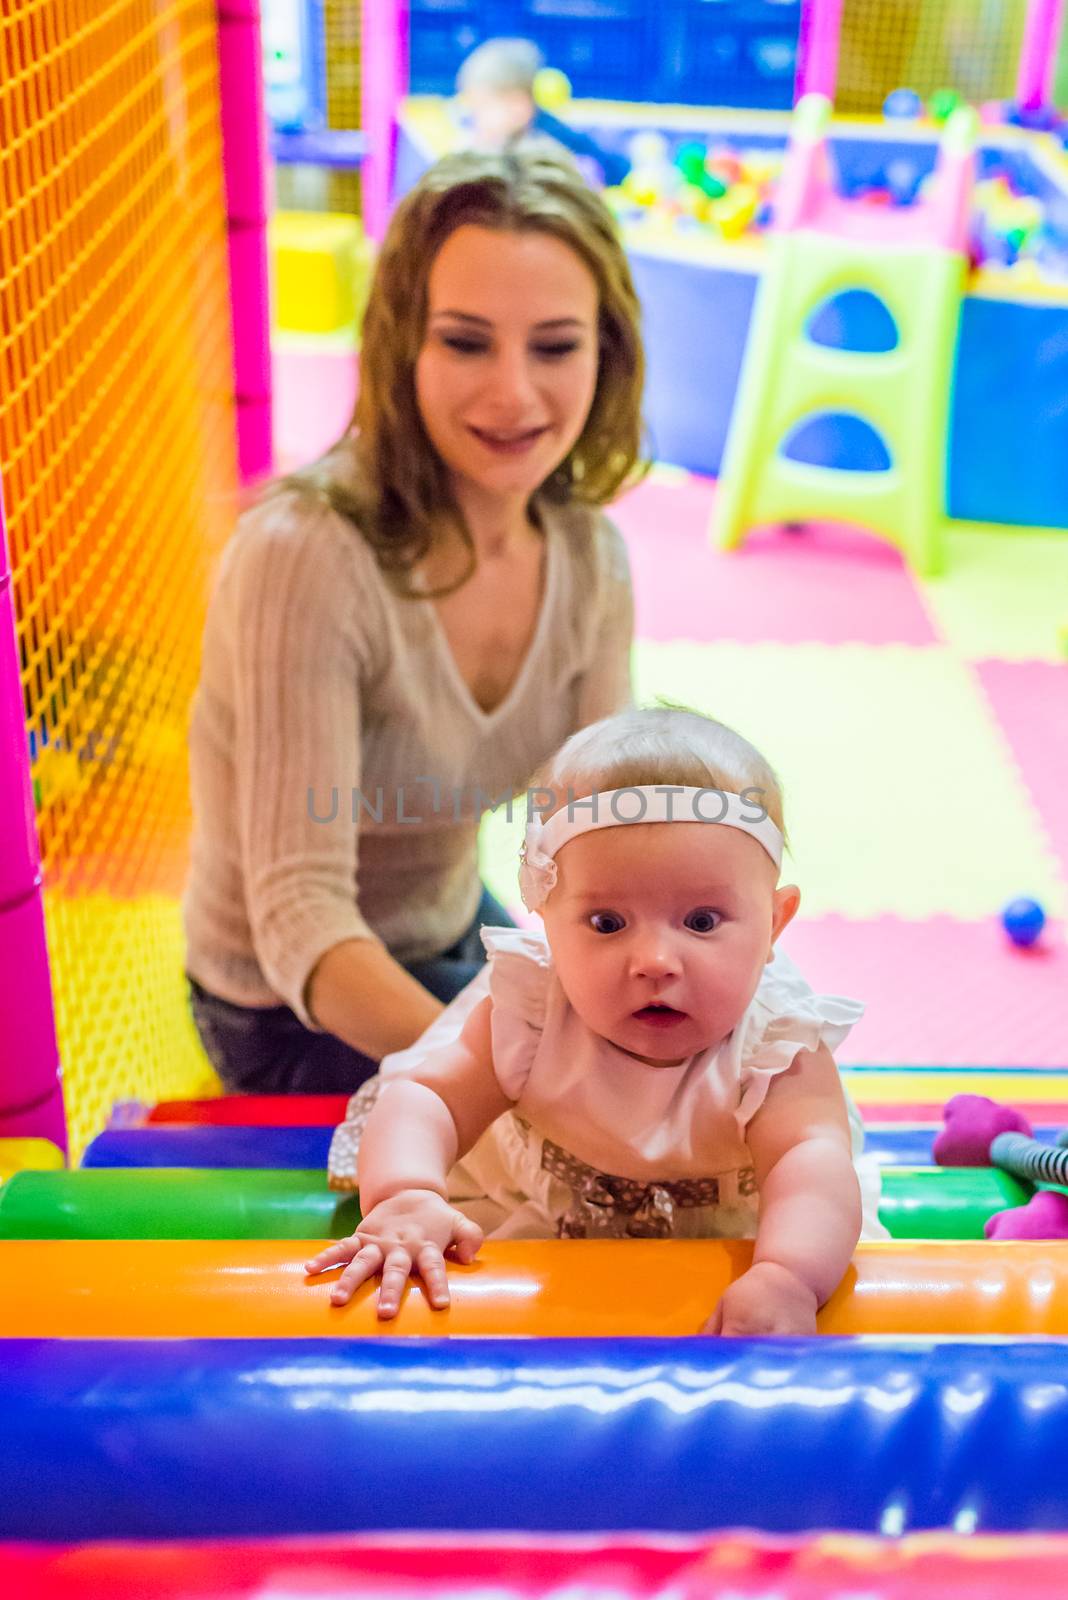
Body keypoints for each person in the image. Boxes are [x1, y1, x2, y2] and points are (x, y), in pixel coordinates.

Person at [183, 149, 645, 1096]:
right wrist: (519, 1075)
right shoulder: (303, 555)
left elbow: (602, 847)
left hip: (444, 932)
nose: (514, 394)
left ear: (607, 354)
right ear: (404, 348)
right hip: (279, 1000)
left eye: (555, 346)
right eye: (467, 342)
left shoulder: (591, 560)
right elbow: (301, 919)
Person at [307, 705, 887, 1336]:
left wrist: (787, 1276)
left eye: (701, 922)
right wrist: (407, 1194)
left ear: (775, 923)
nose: (656, 961)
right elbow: (427, 1097)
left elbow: (810, 1165)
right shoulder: (531, 1014)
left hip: (730, 1234)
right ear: (548, 925)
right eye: (608, 924)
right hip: (537, 1211)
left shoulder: (776, 1045)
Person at [456, 38, 631, 189]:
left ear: (519, 106)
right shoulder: (509, 146)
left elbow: (615, 172)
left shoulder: (553, 154)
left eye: (480, 107)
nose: (474, 120)